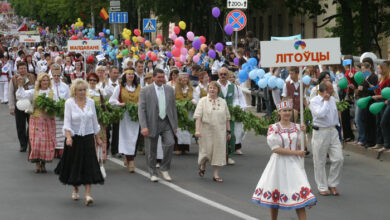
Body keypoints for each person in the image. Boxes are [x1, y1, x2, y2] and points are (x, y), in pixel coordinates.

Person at [252, 101, 316, 220]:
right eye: (284, 110)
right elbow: (276, 149)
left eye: (289, 110)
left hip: (295, 165)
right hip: (278, 164)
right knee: (275, 195)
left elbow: (302, 148)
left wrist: (304, 133)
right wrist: (296, 153)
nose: (287, 113)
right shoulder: (274, 128)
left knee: (300, 195)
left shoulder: (297, 127)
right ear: (279, 112)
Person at [55, 79, 104, 206]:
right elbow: (67, 122)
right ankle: (75, 189)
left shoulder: (91, 102)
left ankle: (88, 195)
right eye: (80, 90)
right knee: (75, 164)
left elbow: (94, 121)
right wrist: (68, 137)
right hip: (74, 138)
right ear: (74, 91)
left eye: (84, 90)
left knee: (89, 164)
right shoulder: (69, 103)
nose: (82, 92)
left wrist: (97, 137)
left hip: (88, 138)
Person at [138, 68, 178, 182]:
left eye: (163, 77)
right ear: (154, 78)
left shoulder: (170, 89)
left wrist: (175, 125)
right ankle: (152, 173)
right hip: (151, 123)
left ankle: (164, 168)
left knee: (170, 144)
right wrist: (144, 126)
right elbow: (141, 109)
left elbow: (173, 108)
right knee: (151, 150)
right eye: (159, 77)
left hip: (166, 122)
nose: (161, 79)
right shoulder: (145, 90)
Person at [16, 72, 58, 173]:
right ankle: (37, 163)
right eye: (43, 80)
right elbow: (21, 96)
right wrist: (20, 85)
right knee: (36, 142)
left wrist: (52, 109)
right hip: (36, 119)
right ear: (39, 82)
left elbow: (56, 105)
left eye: (47, 80)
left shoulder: (52, 92)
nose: (45, 82)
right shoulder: (34, 91)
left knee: (46, 142)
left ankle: (43, 163)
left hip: (48, 120)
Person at [309, 83, 344, 196]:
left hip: (333, 131)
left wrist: (340, 128)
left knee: (338, 158)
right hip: (320, 132)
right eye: (331, 90)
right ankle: (322, 186)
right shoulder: (314, 101)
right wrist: (325, 101)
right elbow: (320, 114)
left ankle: (332, 183)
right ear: (324, 91)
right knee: (319, 160)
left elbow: (335, 115)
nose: (333, 92)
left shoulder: (333, 99)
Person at [194, 81, 231, 182]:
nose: (212, 90)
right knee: (206, 152)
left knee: (218, 152)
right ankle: (203, 165)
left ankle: (216, 174)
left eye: (214, 88)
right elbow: (198, 117)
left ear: (218, 90)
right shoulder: (202, 101)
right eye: (210, 88)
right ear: (208, 89)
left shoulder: (223, 102)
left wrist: (229, 132)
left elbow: (227, 118)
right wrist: (197, 131)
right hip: (205, 131)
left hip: (220, 131)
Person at [109, 69, 140, 173]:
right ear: (125, 76)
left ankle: (129, 157)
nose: (131, 76)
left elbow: (143, 99)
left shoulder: (139, 87)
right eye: (129, 74)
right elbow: (111, 100)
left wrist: (140, 104)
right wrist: (119, 104)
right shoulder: (120, 87)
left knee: (135, 138)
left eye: (132, 74)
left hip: (135, 116)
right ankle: (131, 161)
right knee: (126, 137)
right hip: (125, 116)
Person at [217, 67, 247, 165]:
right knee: (219, 136)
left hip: (229, 114)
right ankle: (218, 156)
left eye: (225, 74)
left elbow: (235, 99)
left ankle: (229, 156)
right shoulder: (215, 85)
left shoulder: (233, 86)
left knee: (231, 135)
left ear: (228, 75)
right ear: (218, 75)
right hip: (217, 114)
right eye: (221, 74)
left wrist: (236, 107)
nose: (223, 76)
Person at [8, 62, 36, 152]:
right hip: (19, 106)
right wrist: (11, 107)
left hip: (30, 105)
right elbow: (10, 94)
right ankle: (23, 144)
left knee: (32, 125)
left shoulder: (32, 77)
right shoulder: (13, 79)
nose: (23, 70)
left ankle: (31, 143)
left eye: (24, 68)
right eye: (21, 68)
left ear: (26, 68)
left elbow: (36, 90)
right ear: (18, 69)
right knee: (20, 126)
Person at [86, 72, 113, 163]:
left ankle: (100, 158)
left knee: (100, 138)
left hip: (99, 119)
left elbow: (109, 93)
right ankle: (91, 159)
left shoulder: (100, 91)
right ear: (88, 81)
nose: (92, 82)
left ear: (97, 81)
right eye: (90, 80)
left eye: (94, 80)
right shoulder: (85, 91)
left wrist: (106, 81)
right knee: (90, 139)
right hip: (88, 119)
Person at [51, 64, 70, 159]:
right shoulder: (49, 85)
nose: (56, 77)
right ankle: (54, 149)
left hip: (62, 112)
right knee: (53, 131)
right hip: (52, 112)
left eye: (58, 75)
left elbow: (68, 98)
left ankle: (62, 150)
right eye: (54, 75)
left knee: (62, 131)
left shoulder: (65, 86)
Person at [358, 62, 378, 147]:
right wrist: (360, 88)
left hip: (370, 100)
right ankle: (366, 139)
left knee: (370, 121)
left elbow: (374, 88)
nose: (362, 71)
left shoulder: (373, 76)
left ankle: (371, 141)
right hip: (364, 100)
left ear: (368, 68)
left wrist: (364, 88)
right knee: (364, 120)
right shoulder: (364, 77)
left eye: (363, 69)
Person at [174, 72, 194, 154]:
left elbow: (194, 97)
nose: (185, 80)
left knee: (186, 128)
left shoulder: (191, 88)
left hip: (188, 111)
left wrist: (192, 102)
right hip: (179, 111)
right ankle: (178, 148)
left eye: (186, 78)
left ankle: (185, 148)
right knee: (179, 128)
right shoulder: (175, 88)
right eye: (183, 78)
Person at [106, 66, 120, 157]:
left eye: (117, 73)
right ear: (110, 73)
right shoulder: (105, 83)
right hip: (107, 109)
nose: (116, 75)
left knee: (117, 130)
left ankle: (115, 150)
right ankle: (105, 148)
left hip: (117, 109)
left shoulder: (120, 83)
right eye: (114, 73)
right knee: (107, 130)